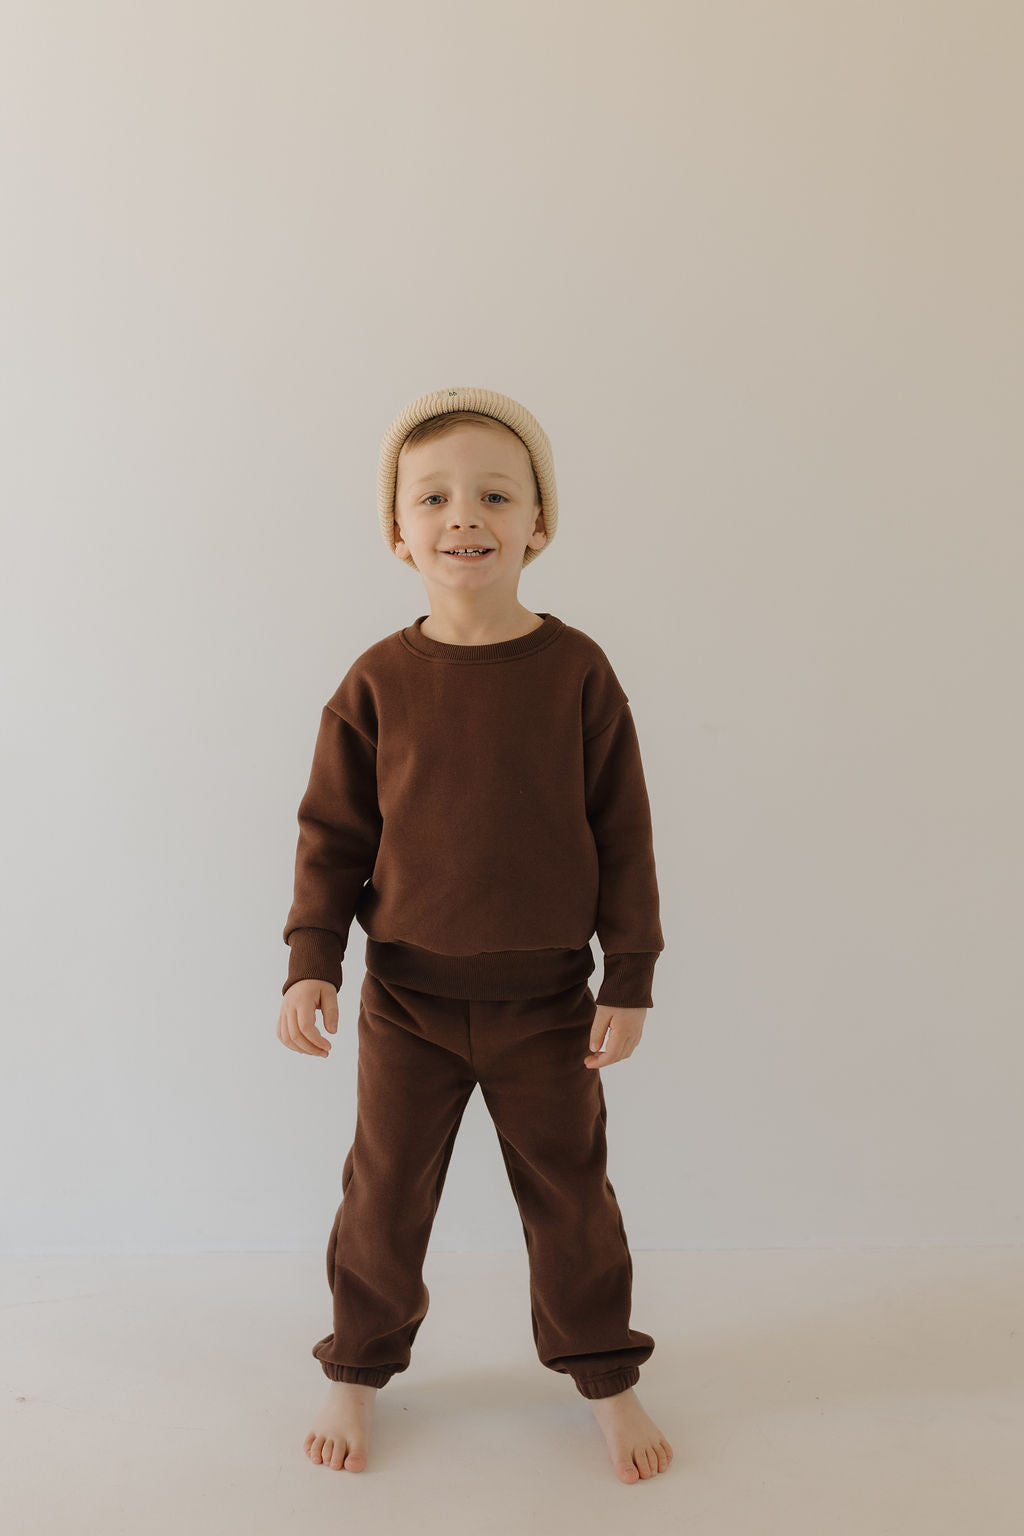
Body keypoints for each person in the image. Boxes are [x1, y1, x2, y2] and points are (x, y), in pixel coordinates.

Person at [277, 385, 673, 1483]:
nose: (465, 515)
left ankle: (607, 1375)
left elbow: (624, 831)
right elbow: (331, 835)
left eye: (496, 495)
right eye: (434, 497)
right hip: (406, 1005)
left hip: (548, 1007)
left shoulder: (577, 671)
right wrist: (312, 961)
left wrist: (629, 975)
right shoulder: (375, 682)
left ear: (537, 524)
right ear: (397, 531)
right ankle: (355, 1370)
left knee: (573, 1201)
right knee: (382, 1197)